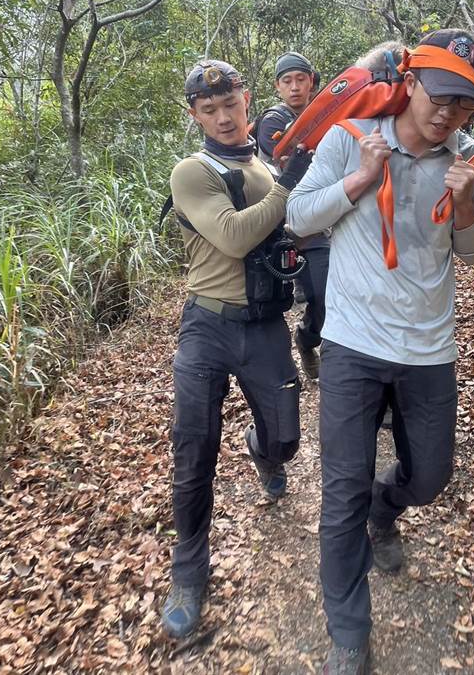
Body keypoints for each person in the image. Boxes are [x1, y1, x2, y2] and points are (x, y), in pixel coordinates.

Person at [286, 30, 474, 674]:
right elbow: (298, 217)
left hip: (429, 347)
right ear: (411, 82)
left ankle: (390, 509)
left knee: (429, 477)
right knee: (341, 492)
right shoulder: (351, 137)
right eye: (440, 97)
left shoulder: (472, 162)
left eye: (464, 106)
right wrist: (360, 179)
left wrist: (465, 206)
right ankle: (348, 634)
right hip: (352, 343)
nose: (447, 115)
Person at [162, 59, 311, 640]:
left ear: (247, 100)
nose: (223, 118)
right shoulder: (191, 171)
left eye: (231, 105)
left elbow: (292, 224)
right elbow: (231, 234)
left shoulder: (268, 160)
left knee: (287, 437)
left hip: (265, 324)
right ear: (195, 114)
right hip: (206, 325)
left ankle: (262, 450)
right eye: (209, 110)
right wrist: (290, 189)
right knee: (193, 448)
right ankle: (189, 574)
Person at [256, 51, 330, 380]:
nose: (295, 87)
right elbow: (285, 155)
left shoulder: (327, 113)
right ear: (278, 86)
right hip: (284, 225)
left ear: (312, 82)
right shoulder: (273, 119)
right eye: (287, 81)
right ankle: (280, 374)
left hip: (323, 220)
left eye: (301, 79)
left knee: (324, 295)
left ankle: (307, 336)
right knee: (291, 296)